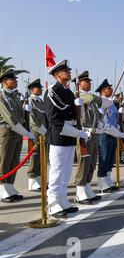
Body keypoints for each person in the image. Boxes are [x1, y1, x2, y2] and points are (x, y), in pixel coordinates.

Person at [44, 60, 90, 217]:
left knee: (66, 171)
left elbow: (76, 116)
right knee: (57, 170)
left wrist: (79, 107)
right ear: (58, 75)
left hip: (70, 136)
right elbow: (54, 120)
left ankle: (62, 200)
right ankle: (52, 203)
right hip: (59, 135)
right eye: (66, 71)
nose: (69, 73)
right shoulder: (52, 91)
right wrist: (78, 133)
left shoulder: (69, 93)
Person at [73, 72, 113, 203]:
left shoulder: (90, 98)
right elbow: (94, 99)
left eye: (89, 81)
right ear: (80, 84)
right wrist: (104, 101)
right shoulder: (82, 96)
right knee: (83, 162)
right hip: (84, 134)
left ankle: (87, 186)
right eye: (87, 82)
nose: (89, 84)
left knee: (91, 162)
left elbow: (96, 115)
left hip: (93, 133)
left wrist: (101, 116)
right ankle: (80, 190)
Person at [0, 69, 35, 203]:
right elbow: (9, 117)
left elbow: (20, 116)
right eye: (13, 79)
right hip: (7, 131)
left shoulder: (15, 96)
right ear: (5, 82)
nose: (16, 81)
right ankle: (2, 188)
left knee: (14, 160)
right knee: (5, 160)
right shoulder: (2, 96)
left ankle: (10, 187)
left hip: (17, 131)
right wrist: (27, 133)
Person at [96, 79, 124, 191]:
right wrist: (116, 131)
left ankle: (108, 180)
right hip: (105, 133)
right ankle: (102, 182)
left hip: (113, 133)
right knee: (104, 157)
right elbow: (104, 121)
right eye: (109, 88)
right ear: (104, 91)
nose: (112, 90)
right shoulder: (101, 103)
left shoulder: (111, 103)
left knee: (110, 157)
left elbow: (114, 119)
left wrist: (120, 117)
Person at [26, 79, 48, 192]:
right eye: (38, 88)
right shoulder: (29, 101)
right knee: (34, 157)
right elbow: (33, 121)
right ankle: (32, 181)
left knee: (42, 157)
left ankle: (39, 179)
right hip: (35, 132)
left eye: (40, 87)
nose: (40, 89)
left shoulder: (40, 101)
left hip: (43, 132)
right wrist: (44, 131)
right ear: (32, 89)